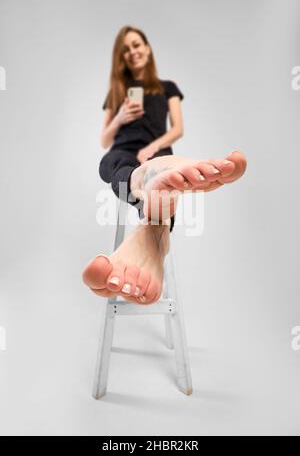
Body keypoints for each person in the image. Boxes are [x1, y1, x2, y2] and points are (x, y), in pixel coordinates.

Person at [82, 25, 247, 305]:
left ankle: (152, 194)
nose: (132, 52)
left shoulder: (168, 88)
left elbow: (178, 129)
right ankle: (146, 192)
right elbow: (104, 138)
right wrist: (121, 116)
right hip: (123, 150)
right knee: (116, 167)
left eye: (136, 45)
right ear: (120, 59)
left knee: (162, 177)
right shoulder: (117, 92)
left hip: (157, 151)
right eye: (126, 50)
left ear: (147, 48)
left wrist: (154, 148)